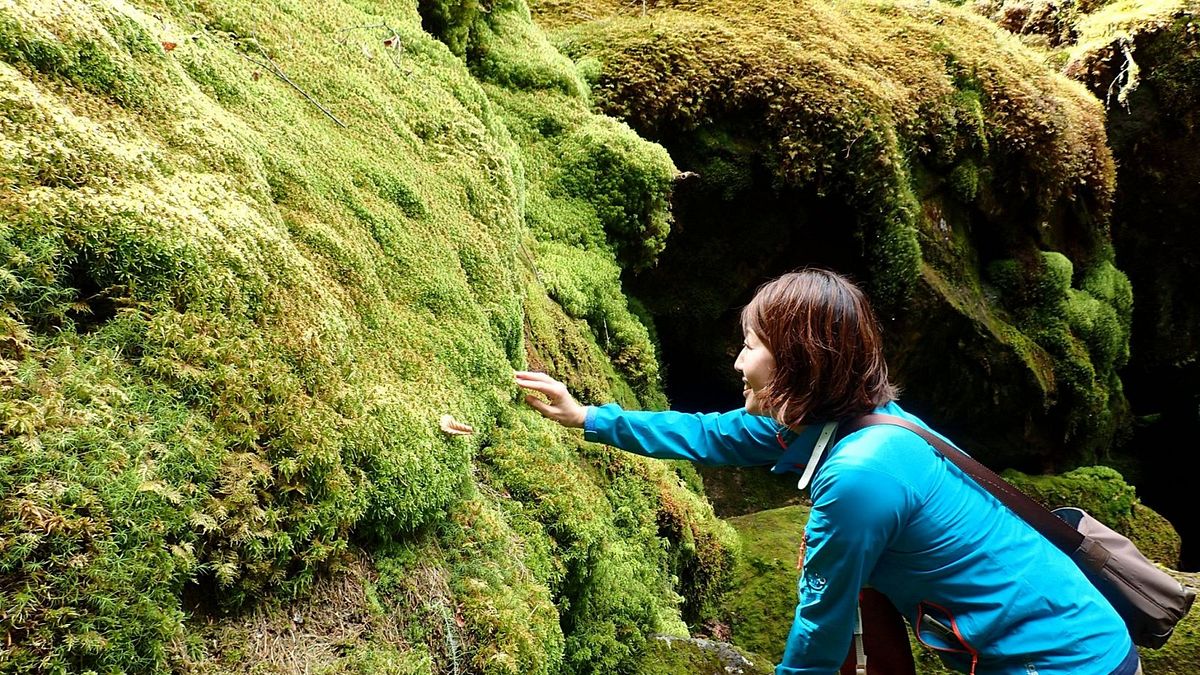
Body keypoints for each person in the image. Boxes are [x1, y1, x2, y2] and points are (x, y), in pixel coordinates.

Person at [515, 268, 1141, 675]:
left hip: (1063, 661)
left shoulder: (861, 473)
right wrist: (588, 416)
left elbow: (823, 620)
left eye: (751, 345)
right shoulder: (857, 419)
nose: (737, 362)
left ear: (798, 361)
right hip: (1070, 640)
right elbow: (710, 434)